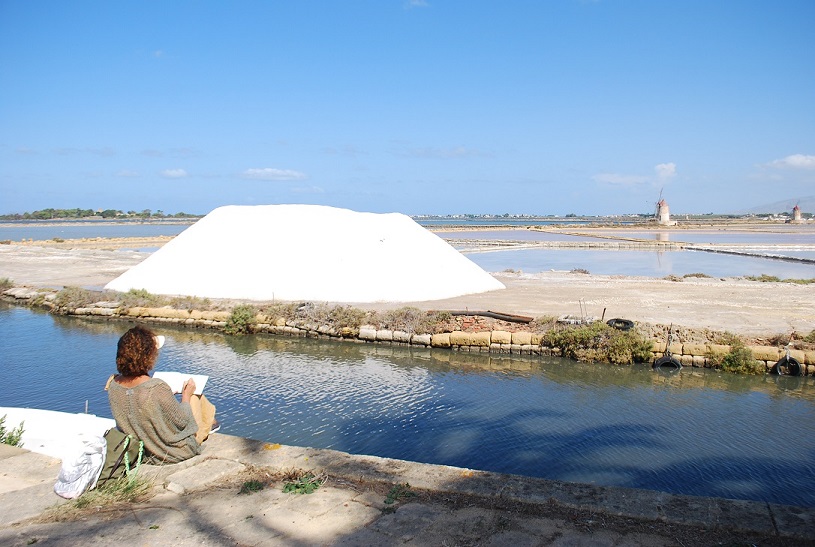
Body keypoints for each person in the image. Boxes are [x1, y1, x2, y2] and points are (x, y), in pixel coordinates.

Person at [106, 325, 217, 464]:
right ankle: (210, 423)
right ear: (148, 356)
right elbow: (182, 421)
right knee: (195, 395)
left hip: (141, 452)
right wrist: (186, 395)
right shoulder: (156, 387)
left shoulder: (113, 384)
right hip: (171, 453)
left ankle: (211, 422)